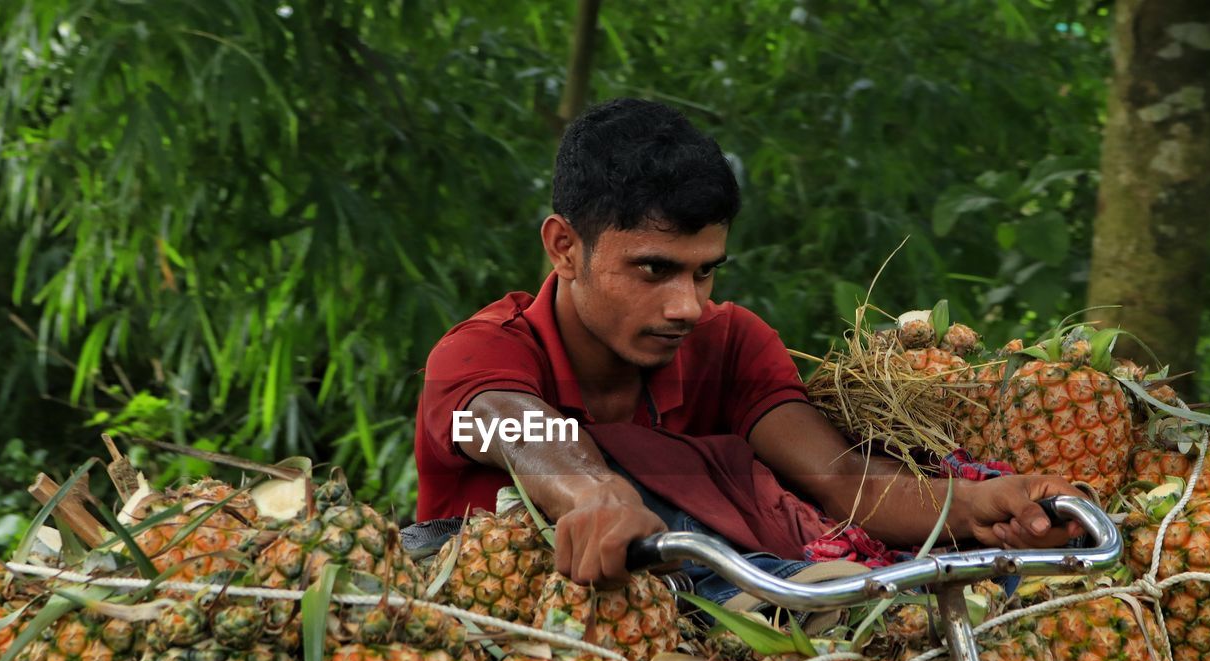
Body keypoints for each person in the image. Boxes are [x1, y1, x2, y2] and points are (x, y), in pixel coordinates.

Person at [415, 97, 1082, 595]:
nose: (687, 305)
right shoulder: (482, 352)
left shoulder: (729, 342)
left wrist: (978, 505)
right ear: (564, 248)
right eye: (654, 269)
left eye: (704, 270)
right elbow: (506, 420)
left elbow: (843, 480)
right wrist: (593, 492)